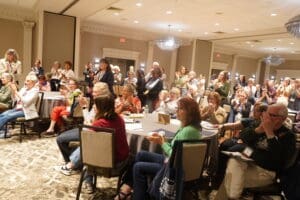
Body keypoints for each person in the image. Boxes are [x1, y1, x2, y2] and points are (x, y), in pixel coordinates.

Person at [115, 97, 202, 200]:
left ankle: (139, 196)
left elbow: (174, 155)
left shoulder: (188, 131)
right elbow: (176, 145)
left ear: (189, 112)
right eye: (177, 108)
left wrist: (162, 142)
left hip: (175, 169)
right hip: (173, 163)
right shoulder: (188, 127)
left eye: (180, 109)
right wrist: (161, 139)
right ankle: (134, 188)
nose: (177, 111)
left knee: (138, 167)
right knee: (140, 154)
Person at [215, 103, 296, 200]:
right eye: (266, 113)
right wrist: (259, 130)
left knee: (230, 176)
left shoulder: (288, 136)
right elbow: (243, 136)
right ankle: (233, 196)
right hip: (247, 162)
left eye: (271, 115)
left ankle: (232, 197)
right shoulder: (259, 124)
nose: (265, 117)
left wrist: (269, 133)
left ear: (281, 118)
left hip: (266, 171)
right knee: (233, 162)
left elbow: (276, 161)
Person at [58, 95, 129, 193]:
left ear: (101, 107)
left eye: (96, 104)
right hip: (120, 164)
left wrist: (88, 113)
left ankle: (74, 167)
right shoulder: (120, 119)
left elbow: (88, 135)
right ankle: (81, 175)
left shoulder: (99, 124)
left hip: (104, 166)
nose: (94, 106)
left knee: (87, 147)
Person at [56, 82, 111, 167]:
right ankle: (72, 161)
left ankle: (73, 162)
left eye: (95, 92)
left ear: (102, 93)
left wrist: (85, 112)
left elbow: (90, 124)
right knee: (60, 139)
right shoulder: (96, 104)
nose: (93, 93)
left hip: (90, 133)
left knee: (62, 140)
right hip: (86, 128)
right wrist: (84, 107)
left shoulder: (103, 106)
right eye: (93, 91)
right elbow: (88, 119)